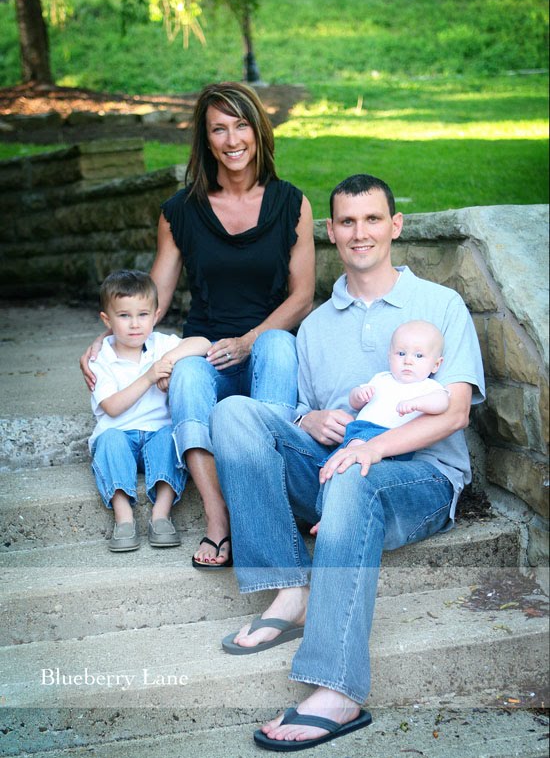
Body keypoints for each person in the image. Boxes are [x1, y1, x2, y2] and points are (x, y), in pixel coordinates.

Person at [211, 174, 485, 751]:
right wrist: (311, 420)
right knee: (235, 413)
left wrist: (372, 448)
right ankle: (289, 588)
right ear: (331, 232)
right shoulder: (314, 326)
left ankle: (336, 689)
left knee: (353, 481)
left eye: (373, 219)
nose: (361, 232)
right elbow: (301, 413)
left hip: (420, 478)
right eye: (347, 222)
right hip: (331, 466)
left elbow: (455, 412)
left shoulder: (440, 305)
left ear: (395, 225)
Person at [80, 82, 315, 568]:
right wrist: (107, 338)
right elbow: (154, 298)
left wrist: (248, 341)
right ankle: (218, 520)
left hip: (266, 351)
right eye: (218, 129)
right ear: (205, 139)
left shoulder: (292, 203)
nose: (232, 140)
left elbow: (302, 297)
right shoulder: (181, 211)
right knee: (186, 372)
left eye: (241, 125)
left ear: (259, 131)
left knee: (277, 344)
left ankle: (268, 506)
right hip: (207, 352)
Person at [89, 270, 210, 552]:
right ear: (107, 320)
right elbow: (112, 407)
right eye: (124, 316)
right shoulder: (100, 358)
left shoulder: (160, 344)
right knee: (109, 442)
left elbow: (203, 343)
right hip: (119, 433)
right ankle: (124, 519)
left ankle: (161, 515)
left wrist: (170, 359)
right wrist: (149, 376)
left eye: (143, 315)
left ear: (155, 316)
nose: (135, 324)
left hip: (156, 433)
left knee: (171, 437)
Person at [320, 319, 449, 468]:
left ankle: (342, 465)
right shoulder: (381, 379)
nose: (408, 360)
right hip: (363, 429)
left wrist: (417, 403)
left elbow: (442, 403)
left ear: (436, 364)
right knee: (344, 456)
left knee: (350, 457)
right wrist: (359, 394)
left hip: (397, 439)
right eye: (401, 353)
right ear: (389, 357)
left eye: (419, 356)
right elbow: (354, 403)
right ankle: (334, 468)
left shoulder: (428, 386)